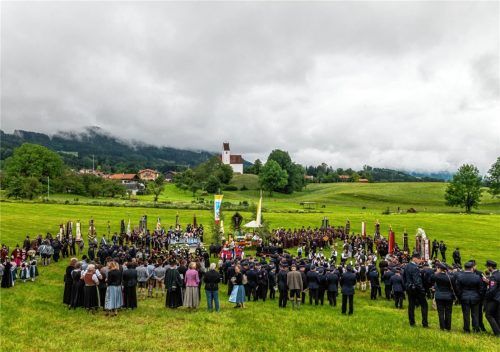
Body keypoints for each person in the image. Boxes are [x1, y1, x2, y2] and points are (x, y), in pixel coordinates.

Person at [456, 261, 482, 333]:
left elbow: (458, 288)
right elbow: (481, 288)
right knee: (475, 314)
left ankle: (466, 329)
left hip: (464, 297)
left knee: (466, 314)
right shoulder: (477, 277)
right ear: (472, 268)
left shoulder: (460, 276)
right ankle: (476, 329)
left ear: (464, 268)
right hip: (475, 297)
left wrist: (460, 296)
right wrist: (479, 296)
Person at [404, 253, 428, 327]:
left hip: (409, 288)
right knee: (424, 305)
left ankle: (412, 322)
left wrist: (407, 286)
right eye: (419, 259)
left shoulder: (406, 266)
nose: (420, 261)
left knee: (411, 306)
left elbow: (404, 277)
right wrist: (422, 290)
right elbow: (417, 281)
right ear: (414, 258)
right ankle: (424, 323)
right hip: (417, 289)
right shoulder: (415, 268)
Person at [432, 263, 456, 331]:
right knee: (448, 312)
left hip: (439, 296)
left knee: (440, 312)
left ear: (439, 268)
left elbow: (430, 278)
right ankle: (448, 327)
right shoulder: (450, 277)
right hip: (448, 296)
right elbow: (454, 286)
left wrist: (437, 272)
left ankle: (442, 327)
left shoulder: (436, 276)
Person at [484, 260, 500, 336]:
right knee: (497, 315)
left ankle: (497, 332)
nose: (487, 268)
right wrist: (489, 282)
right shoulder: (498, 273)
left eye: (487, 266)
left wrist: (486, 297)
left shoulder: (493, 276)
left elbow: (492, 290)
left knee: (488, 314)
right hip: (498, 297)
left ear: (490, 267)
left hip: (494, 298)